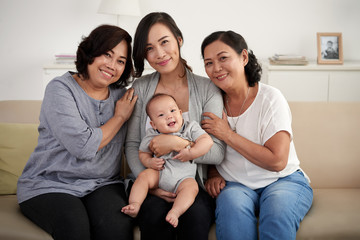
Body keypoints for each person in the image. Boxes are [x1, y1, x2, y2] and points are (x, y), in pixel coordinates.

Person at [16, 25, 138, 240]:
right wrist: (119, 117)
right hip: (50, 183)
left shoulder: (123, 95)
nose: (112, 65)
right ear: (90, 52)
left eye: (121, 61)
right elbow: (82, 146)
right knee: (74, 226)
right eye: (107, 54)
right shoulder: (60, 89)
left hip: (103, 184)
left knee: (116, 228)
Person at [200, 30, 313, 240]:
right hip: (235, 185)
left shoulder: (270, 98)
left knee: (277, 214)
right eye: (208, 63)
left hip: (282, 180)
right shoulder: (210, 102)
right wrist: (214, 173)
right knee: (231, 215)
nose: (216, 69)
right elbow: (203, 143)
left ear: (243, 57)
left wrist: (228, 134)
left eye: (223, 58)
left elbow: (277, 161)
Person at [125, 12, 225, 240]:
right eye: (149, 48)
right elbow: (132, 144)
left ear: (179, 40)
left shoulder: (208, 88)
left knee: (196, 217)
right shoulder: (140, 88)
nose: (159, 54)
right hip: (152, 180)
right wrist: (151, 183)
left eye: (164, 42)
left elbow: (217, 151)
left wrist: (177, 143)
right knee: (151, 215)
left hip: (191, 182)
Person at [122, 93, 213, 228]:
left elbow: (207, 141)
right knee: (143, 176)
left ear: (180, 113)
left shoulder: (190, 128)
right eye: (161, 115)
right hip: (160, 174)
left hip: (184, 178)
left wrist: (191, 152)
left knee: (192, 188)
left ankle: (175, 212)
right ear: (153, 124)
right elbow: (142, 153)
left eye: (172, 111)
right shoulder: (152, 134)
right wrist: (149, 162)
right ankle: (135, 204)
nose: (169, 116)